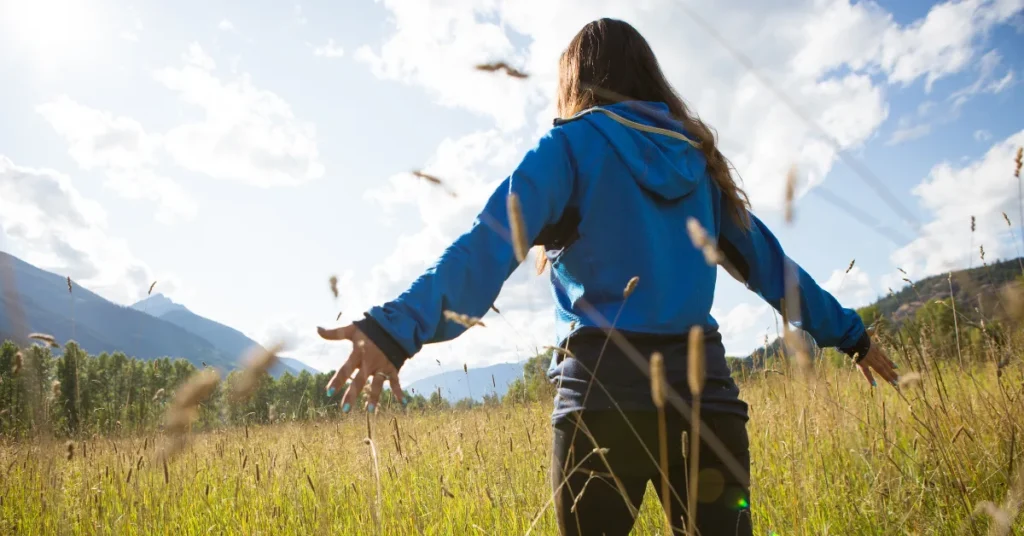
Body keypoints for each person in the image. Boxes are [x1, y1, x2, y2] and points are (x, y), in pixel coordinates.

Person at [317, 17, 899, 536]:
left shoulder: (568, 147)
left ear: (577, 82)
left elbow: (486, 248)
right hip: (707, 404)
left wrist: (395, 331)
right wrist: (853, 336)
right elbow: (775, 269)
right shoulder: (697, 164)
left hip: (602, 404)